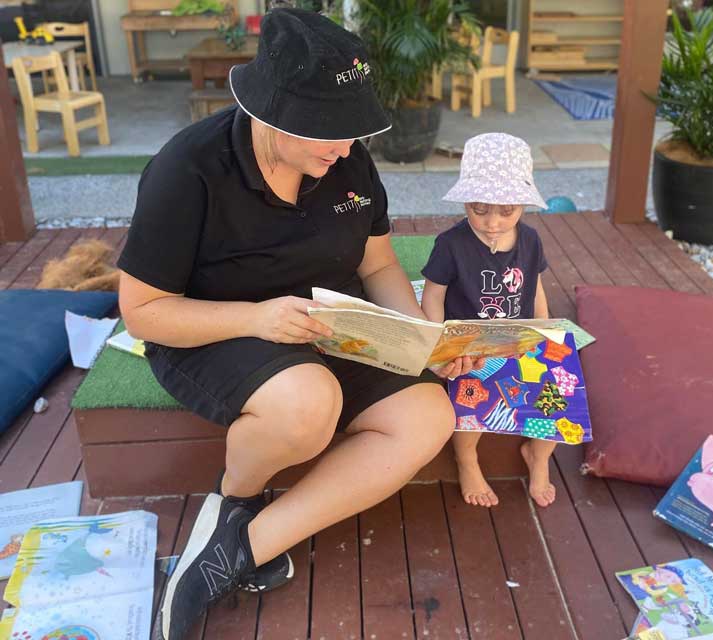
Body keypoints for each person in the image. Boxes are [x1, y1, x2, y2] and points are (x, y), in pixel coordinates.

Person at [117, 9, 476, 639]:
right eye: (328, 134)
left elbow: (380, 264)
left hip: (329, 323)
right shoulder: (187, 169)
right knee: (308, 404)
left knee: (429, 414)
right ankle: (238, 493)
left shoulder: (348, 163)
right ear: (271, 115)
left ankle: (235, 547)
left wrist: (424, 340)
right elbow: (143, 312)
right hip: (215, 329)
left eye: (352, 133)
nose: (344, 148)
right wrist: (258, 318)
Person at [420, 132, 558, 509]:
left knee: (558, 393)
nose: (492, 222)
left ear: (523, 206)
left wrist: (543, 329)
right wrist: (437, 343)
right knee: (472, 394)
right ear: (466, 200)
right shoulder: (451, 244)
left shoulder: (530, 240)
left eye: (506, 211)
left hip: (518, 336)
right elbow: (432, 295)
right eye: (479, 210)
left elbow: (536, 286)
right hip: (471, 343)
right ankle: (467, 459)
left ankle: (539, 456)